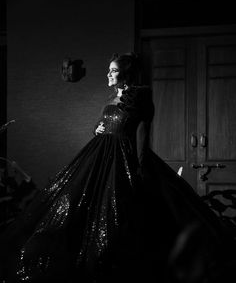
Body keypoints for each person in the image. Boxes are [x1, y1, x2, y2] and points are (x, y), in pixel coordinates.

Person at [0, 52, 235, 283]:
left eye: (113, 70)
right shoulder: (113, 98)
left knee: (122, 212)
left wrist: (140, 167)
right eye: (109, 70)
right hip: (98, 156)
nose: (108, 74)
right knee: (71, 204)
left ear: (126, 73)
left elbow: (142, 133)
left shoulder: (140, 97)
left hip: (123, 158)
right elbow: (108, 122)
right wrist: (97, 129)